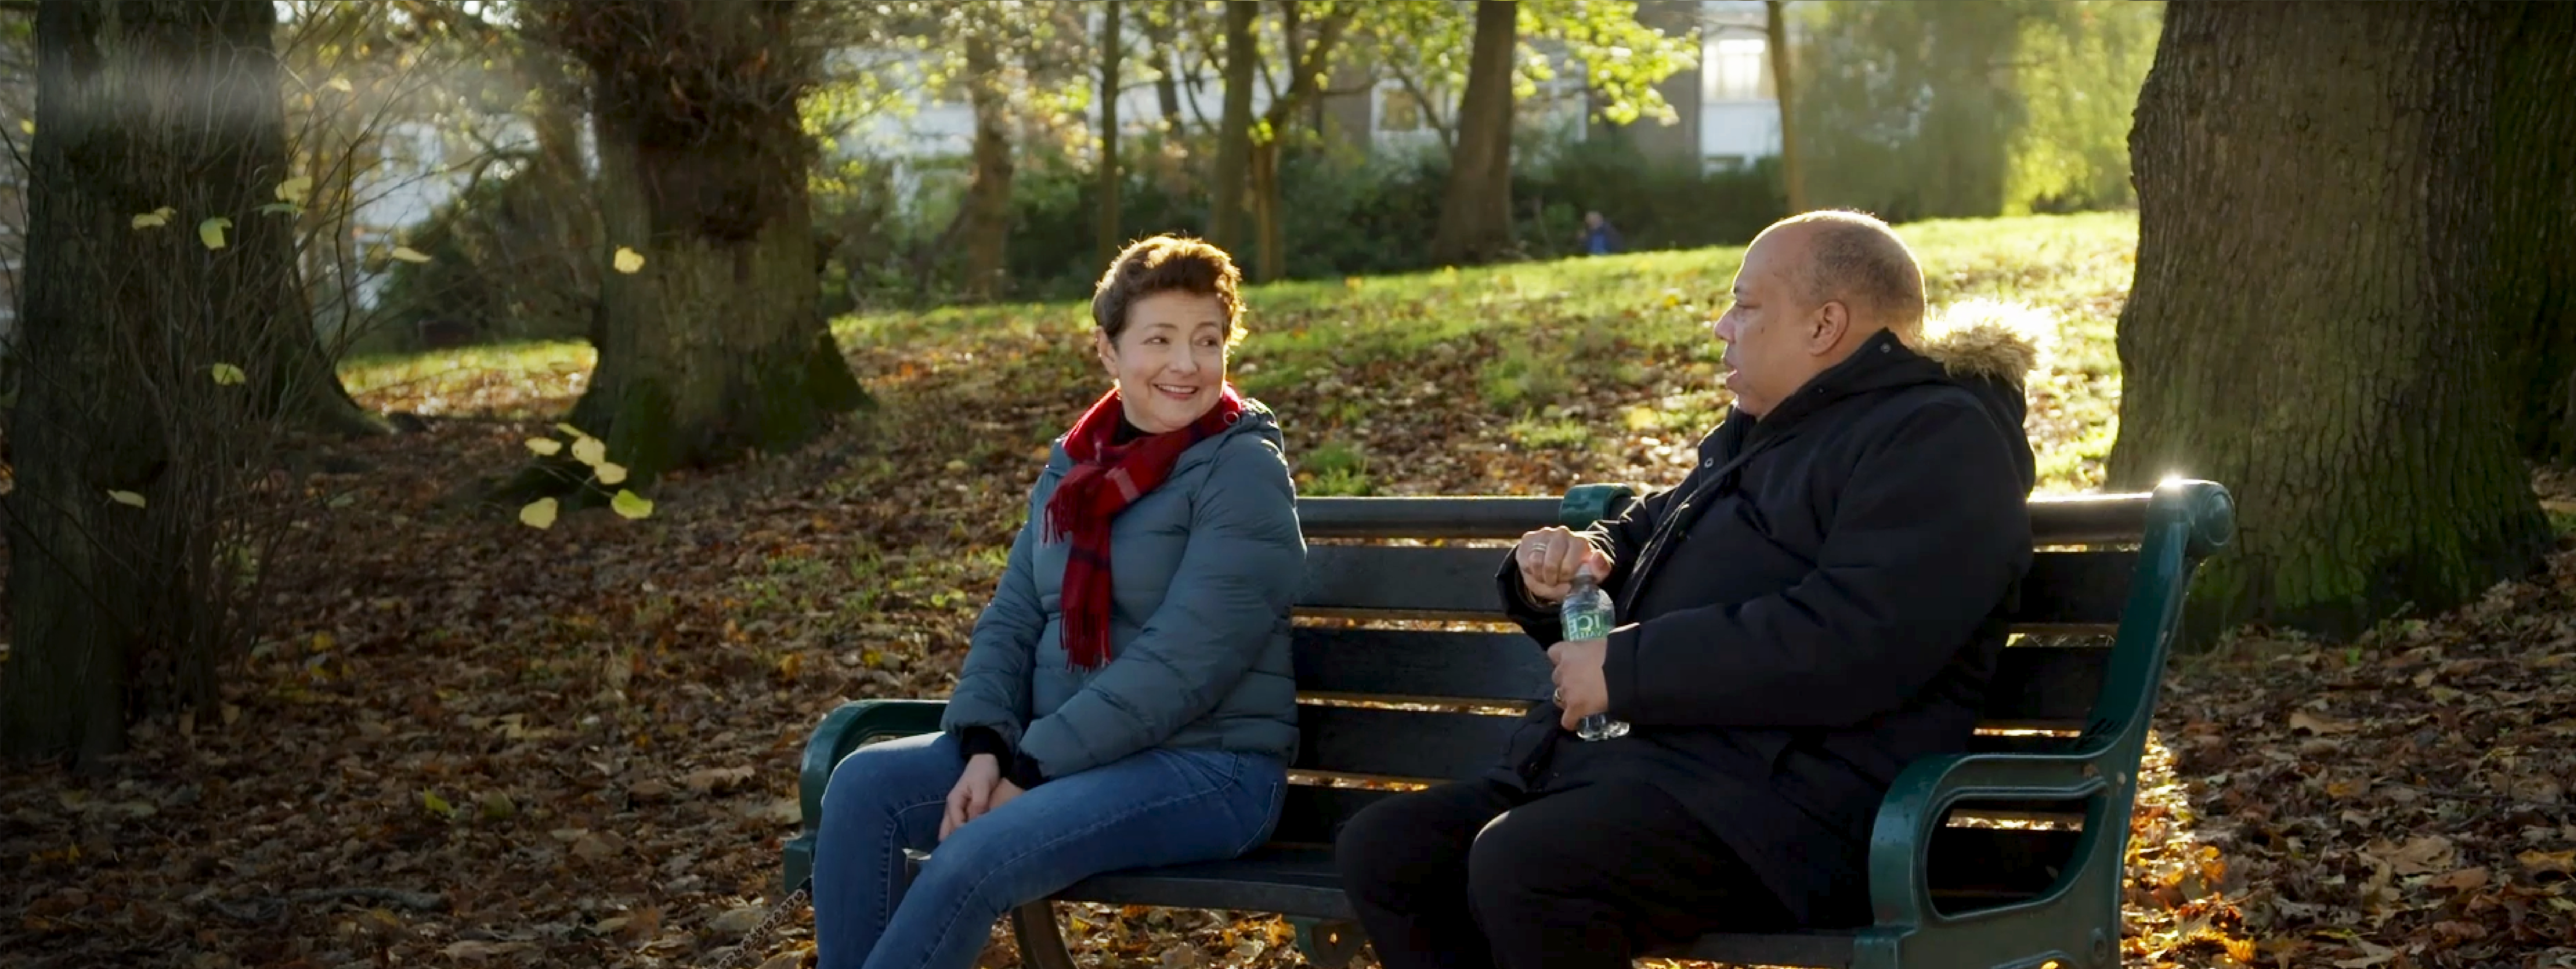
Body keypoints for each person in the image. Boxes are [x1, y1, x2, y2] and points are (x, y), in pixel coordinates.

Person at [1333, 210, 2045, 969]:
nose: (1719, 326)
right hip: (1673, 781)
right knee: (1391, 850)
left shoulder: (1936, 440)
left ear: (1824, 324)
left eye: (1745, 305)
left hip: (1800, 813)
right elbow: (1643, 534)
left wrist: (1625, 669)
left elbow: (1858, 636)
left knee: (1530, 865)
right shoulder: (1761, 434)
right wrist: (1571, 565)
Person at [812, 235, 1305, 969]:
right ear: (1108, 350)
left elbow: (1182, 664)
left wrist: (1031, 768)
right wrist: (985, 745)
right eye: (1159, 339)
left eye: (1207, 341)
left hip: (1209, 767)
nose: (1186, 364)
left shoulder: (1242, 471)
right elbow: (1012, 618)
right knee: (864, 786)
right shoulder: (1077, 465)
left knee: (974, 853)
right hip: (1068, 755)